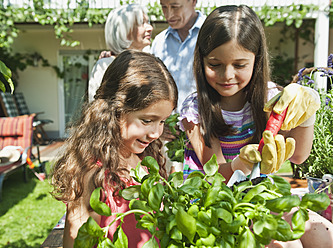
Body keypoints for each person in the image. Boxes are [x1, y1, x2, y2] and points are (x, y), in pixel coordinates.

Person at [179, 5, 332, 247]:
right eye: (215, 64)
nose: (227, 75)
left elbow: (299, 156)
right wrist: (240, 164)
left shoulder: (271, 98)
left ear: (256, 60)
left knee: (324, 234)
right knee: (286, 245)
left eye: (239, 65)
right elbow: (214, 173)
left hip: (260, 197)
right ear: (201, 59)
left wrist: (306, 112)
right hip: (215, 204)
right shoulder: (196, 110)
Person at [51, 50, 178, 248]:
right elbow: (77, 241)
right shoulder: (92, 172)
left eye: (162, 121)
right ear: (115, 111)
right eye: (147, 120)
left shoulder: (145, 159)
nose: (156, 133)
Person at [87, 4, 153, 102]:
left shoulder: (152, 62)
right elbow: (96, 105)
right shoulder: (106, 65)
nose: (150, 28)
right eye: (142, 23)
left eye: (147, 22)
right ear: (124, 30)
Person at [151, 0, 205, 111]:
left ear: (193, 2)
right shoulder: (159, 42)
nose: (169, 14)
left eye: (175, 7)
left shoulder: (211, 35)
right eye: (164, 7)